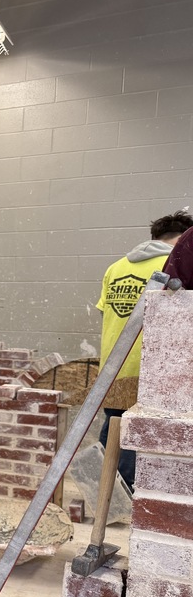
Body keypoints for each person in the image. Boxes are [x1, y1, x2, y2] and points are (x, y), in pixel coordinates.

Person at [96, 209, 192, 488]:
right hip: (150, 370)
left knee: (114, 431)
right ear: (183, 239)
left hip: (113, 368)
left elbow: (107, 315)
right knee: (135, 440)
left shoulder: (115, 268)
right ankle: (125, 499)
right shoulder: (176, 267)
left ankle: (104, 494)